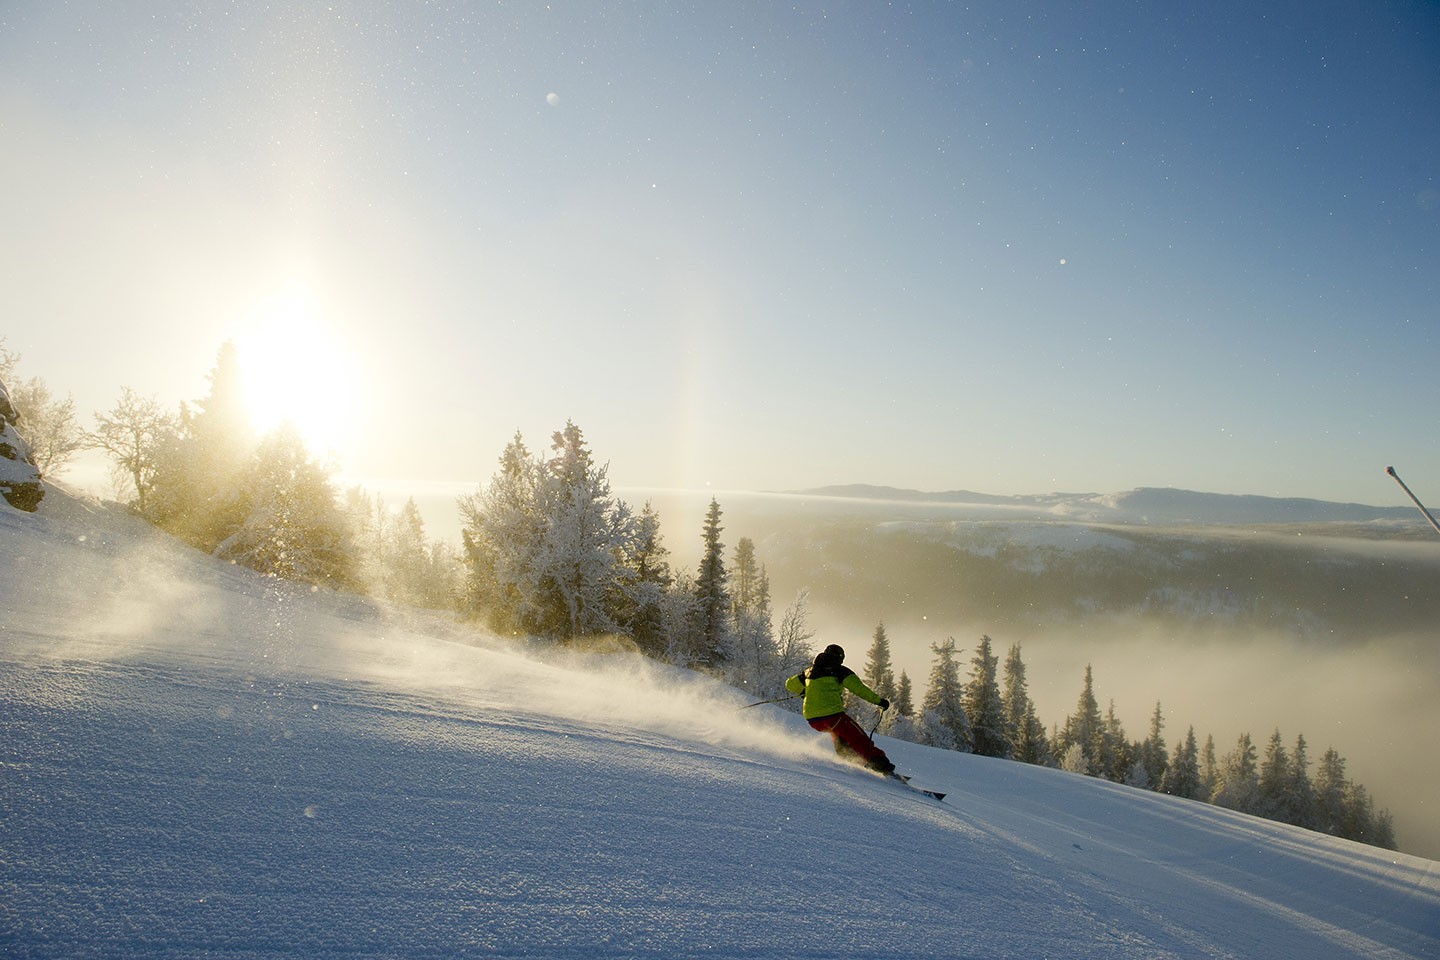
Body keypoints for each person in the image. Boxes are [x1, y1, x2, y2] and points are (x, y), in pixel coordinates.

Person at [785, 644, 896, 775]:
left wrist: (803, 691)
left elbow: (790, 684)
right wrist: (879, 701)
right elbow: (859, 689)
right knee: (857, 737)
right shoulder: (840, 671)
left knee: (840, 736)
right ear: (840, 658)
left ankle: (853, 761)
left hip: (813, 719)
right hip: (832, 715)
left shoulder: (809, 672)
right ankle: (881, 765)